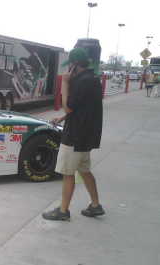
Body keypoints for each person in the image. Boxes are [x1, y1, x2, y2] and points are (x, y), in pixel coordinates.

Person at [43, 48, 104, 221]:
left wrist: (64, 83)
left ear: (74, 65)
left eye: (70, 64)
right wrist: (63, 118)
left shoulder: (80, 82)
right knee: (85, 170)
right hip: (86, 136)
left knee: (68, 173)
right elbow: (82, 108)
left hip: (75, 137)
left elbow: (68, 106)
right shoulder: (93, 79)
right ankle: (95, 205)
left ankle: (63, 211)